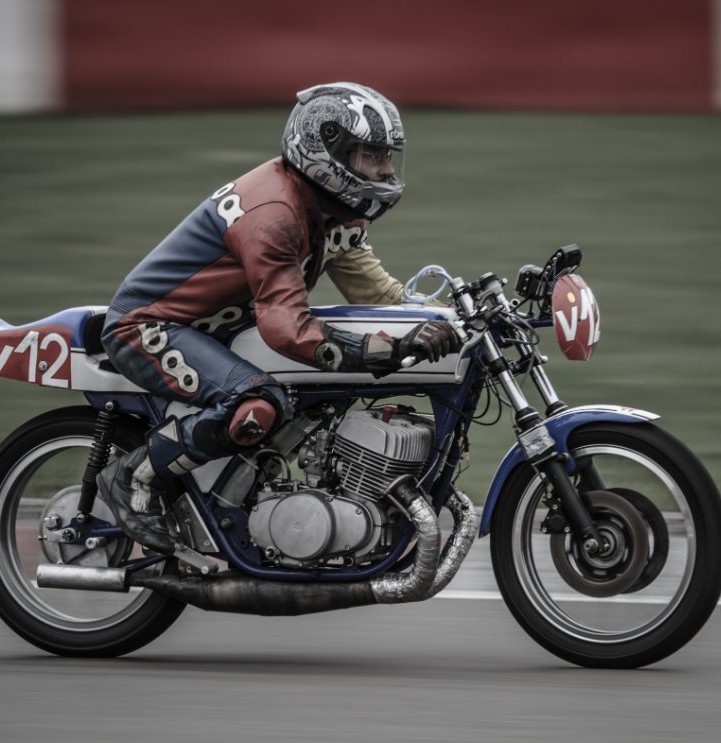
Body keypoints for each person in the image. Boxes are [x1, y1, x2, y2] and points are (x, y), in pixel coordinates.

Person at [97, 82, 461, 551]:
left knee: (309, 402)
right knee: (258, 404)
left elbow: (379, 294)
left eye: (387, 157)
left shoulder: (334, 211)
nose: (386, 170)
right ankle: (133, 476)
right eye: (372, 156)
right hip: (150, 327)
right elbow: (286, 327)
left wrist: (454, 317)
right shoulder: (275, 212)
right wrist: (381, 350)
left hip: (215, 330)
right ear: (328, 152)